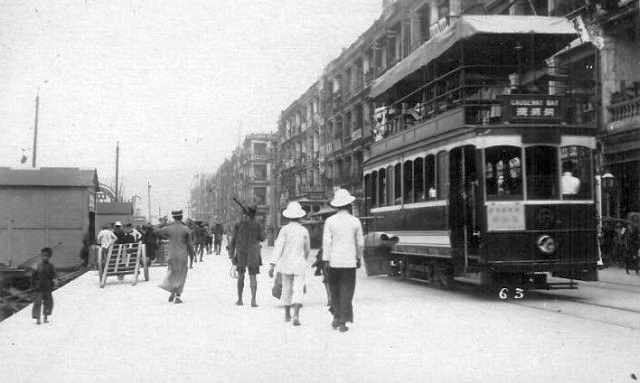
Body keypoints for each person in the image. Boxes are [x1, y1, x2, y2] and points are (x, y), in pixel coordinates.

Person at [322, 189, 364, 333]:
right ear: (349, 204)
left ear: (336, 205)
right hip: (349, 262)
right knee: (347, 291)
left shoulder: (330, 221)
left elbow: (327, 243)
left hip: (334, 261)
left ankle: (336, 316)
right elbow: (360, 244)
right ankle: (343, 321)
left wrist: (326, 261)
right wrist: (358, 257)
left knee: (334, 290)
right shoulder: (355, 221)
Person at [269, 201, 311, 326]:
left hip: (286, 264)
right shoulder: (304, 231)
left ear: (288, 216)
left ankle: (287, 314)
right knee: (298, 289)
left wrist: (272, 264)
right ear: (300, 216)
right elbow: (307, 249)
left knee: (286, 288)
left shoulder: (284, 230)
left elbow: (278, 248)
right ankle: (296, 314)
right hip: (299, 264)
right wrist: (304, 259)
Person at [155, 210, 196, 304]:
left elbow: (156, 231)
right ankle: (177, 296)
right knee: (181, 275)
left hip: (171, 255)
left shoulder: (168, 228)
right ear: (181, 217)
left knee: (172, 274)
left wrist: (162, 223)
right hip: (182, 256)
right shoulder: (186, 229)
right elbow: (190, 245)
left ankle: (172, 290)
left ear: (173, 217)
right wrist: (192, 259)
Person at [228, 204, 265, 307]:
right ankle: (253, 300)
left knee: (240, 276)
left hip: (241, 253)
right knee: (253, 277)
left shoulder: (238, 224)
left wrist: (231, 254)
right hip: (253, 253)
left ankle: (240, 299)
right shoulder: (257, 224)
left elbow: (233, 240)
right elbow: (262, 238)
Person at [31, 247, 59, 325]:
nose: (44, 257)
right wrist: (32, 286)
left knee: (48, 302)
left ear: (49, 257)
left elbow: (54, 275)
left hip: (47, 287)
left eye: (46, 256)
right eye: (43, 256)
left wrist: (55, 281)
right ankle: (38, 318)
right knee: (37, 302)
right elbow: (32, 277)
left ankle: (45, 317)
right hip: (38, 287)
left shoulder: (51, 266)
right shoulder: (37, 266)